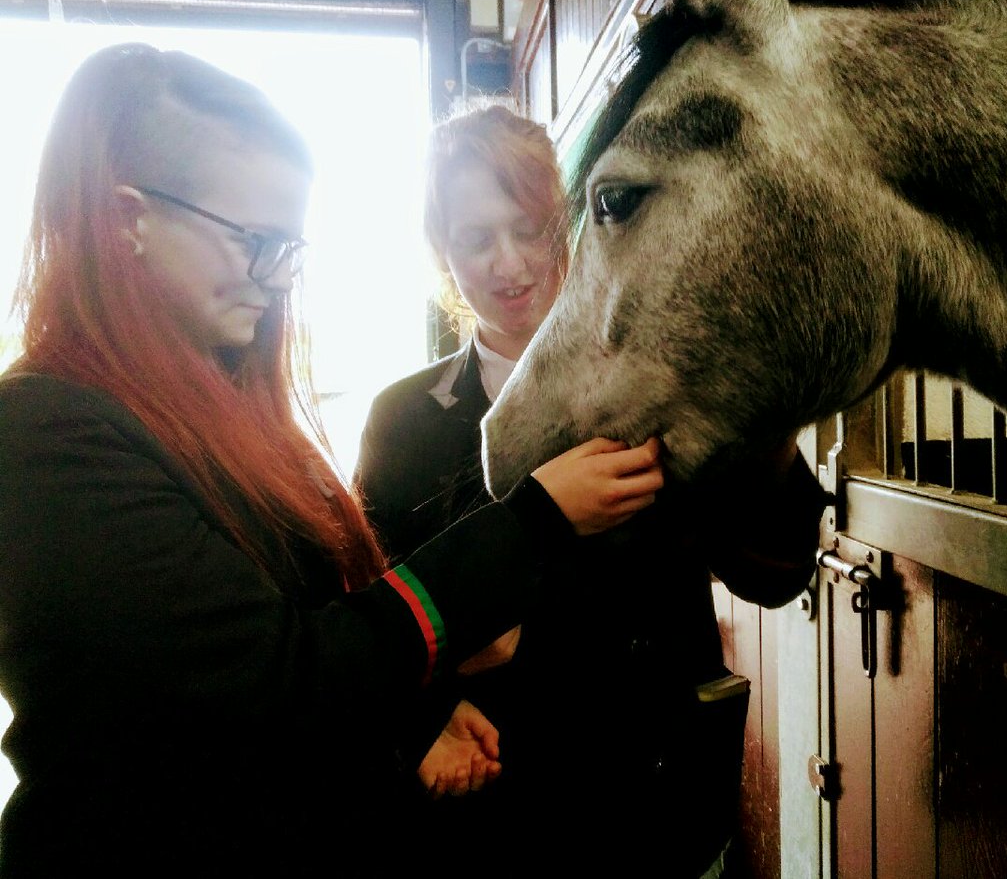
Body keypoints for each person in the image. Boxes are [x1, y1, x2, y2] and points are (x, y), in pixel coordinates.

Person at [0, 45, 666, 878]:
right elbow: (282, 680)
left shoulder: (206, 406)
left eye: (288, 249)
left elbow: (316, 612)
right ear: (128, 217)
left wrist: (412, 715)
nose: (278, 281)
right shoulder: (43, 434)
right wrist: (533, 522)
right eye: (255, 242)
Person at [355, 104, 831, 878]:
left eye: (531, 227)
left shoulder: (670, 377)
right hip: (499, 818)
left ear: (572, 223)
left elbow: (775, 573)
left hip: (661, 802)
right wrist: (427, 710)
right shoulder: (404, 420)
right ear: (442, 252)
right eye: (476, 239)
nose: (510, 265)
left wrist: (763, 407)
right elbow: (369, 619)